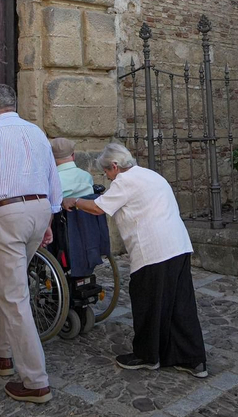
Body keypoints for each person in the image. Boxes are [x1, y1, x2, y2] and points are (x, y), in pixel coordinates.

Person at [64, 142, 208, 378]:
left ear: (115, 166)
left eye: (107, 172)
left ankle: (147, 355)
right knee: (180, 304)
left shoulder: (125, 180)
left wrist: (75, 202)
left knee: (147, 302)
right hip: (178, 245)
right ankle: (192, 359)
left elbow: (99, 208)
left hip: (153, 250)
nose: (109, 178)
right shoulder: (150, 174)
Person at [0, 85, 61, 403]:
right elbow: (52, 179)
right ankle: (4, 354)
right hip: (39, 209)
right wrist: (47, 222)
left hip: (8, 215)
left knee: (15, 295)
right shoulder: (37, 132)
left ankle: (35, 380)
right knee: (12, 286)